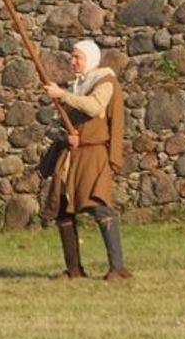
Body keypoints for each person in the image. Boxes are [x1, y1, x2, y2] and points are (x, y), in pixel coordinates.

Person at [43, 39, 131, 280]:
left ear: (90, 59)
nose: (72, 61)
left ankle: (117, 268)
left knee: (100, 206)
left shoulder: (105, 81)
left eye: (77, 57)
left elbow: (93, 107)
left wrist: (62, 94)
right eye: (72, 57)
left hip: (94, 154)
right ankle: (74, 269)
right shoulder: (75, 87)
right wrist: (64, 135)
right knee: (63, 209)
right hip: (71, 155)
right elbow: (57, 124)